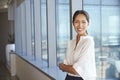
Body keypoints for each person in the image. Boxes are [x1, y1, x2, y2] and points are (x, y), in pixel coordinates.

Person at [58, 10, 97, 80]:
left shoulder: (88, 41)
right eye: (76, 22)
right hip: (68, 78)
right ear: (73, 23)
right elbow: (66, 65)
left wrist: (65, 67)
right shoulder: (71, 42)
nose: (80, 25)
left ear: (88, 23)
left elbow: (75, 70)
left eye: (83, 22)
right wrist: (69, 67)